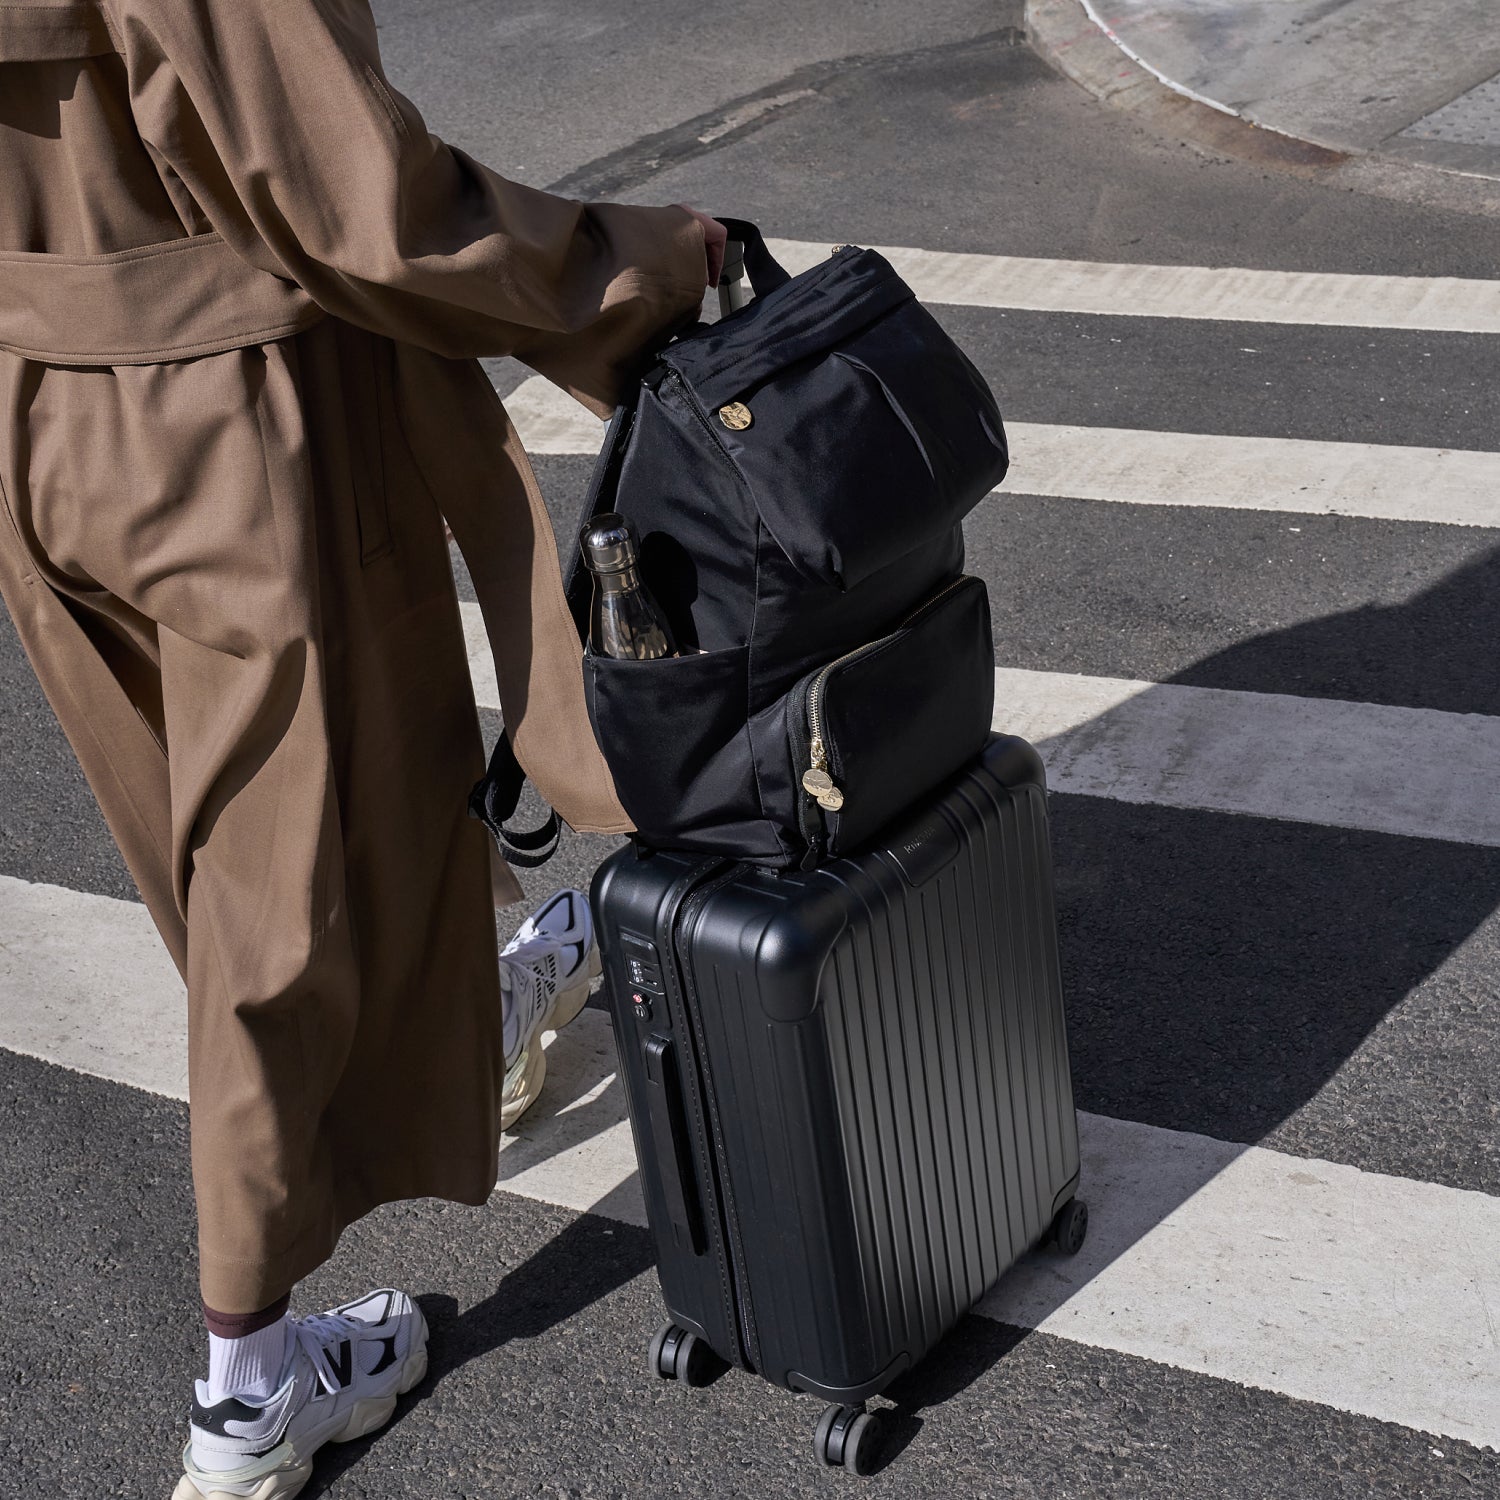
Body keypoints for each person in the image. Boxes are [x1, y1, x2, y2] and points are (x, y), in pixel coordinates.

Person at [0, 2, 727, 1496]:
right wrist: (639, 260)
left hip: (35, 406)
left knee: (253, 844)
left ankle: (480, 1014)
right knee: (281, 877)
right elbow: (366, 205)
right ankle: (247, 1391)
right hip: (221, 416)